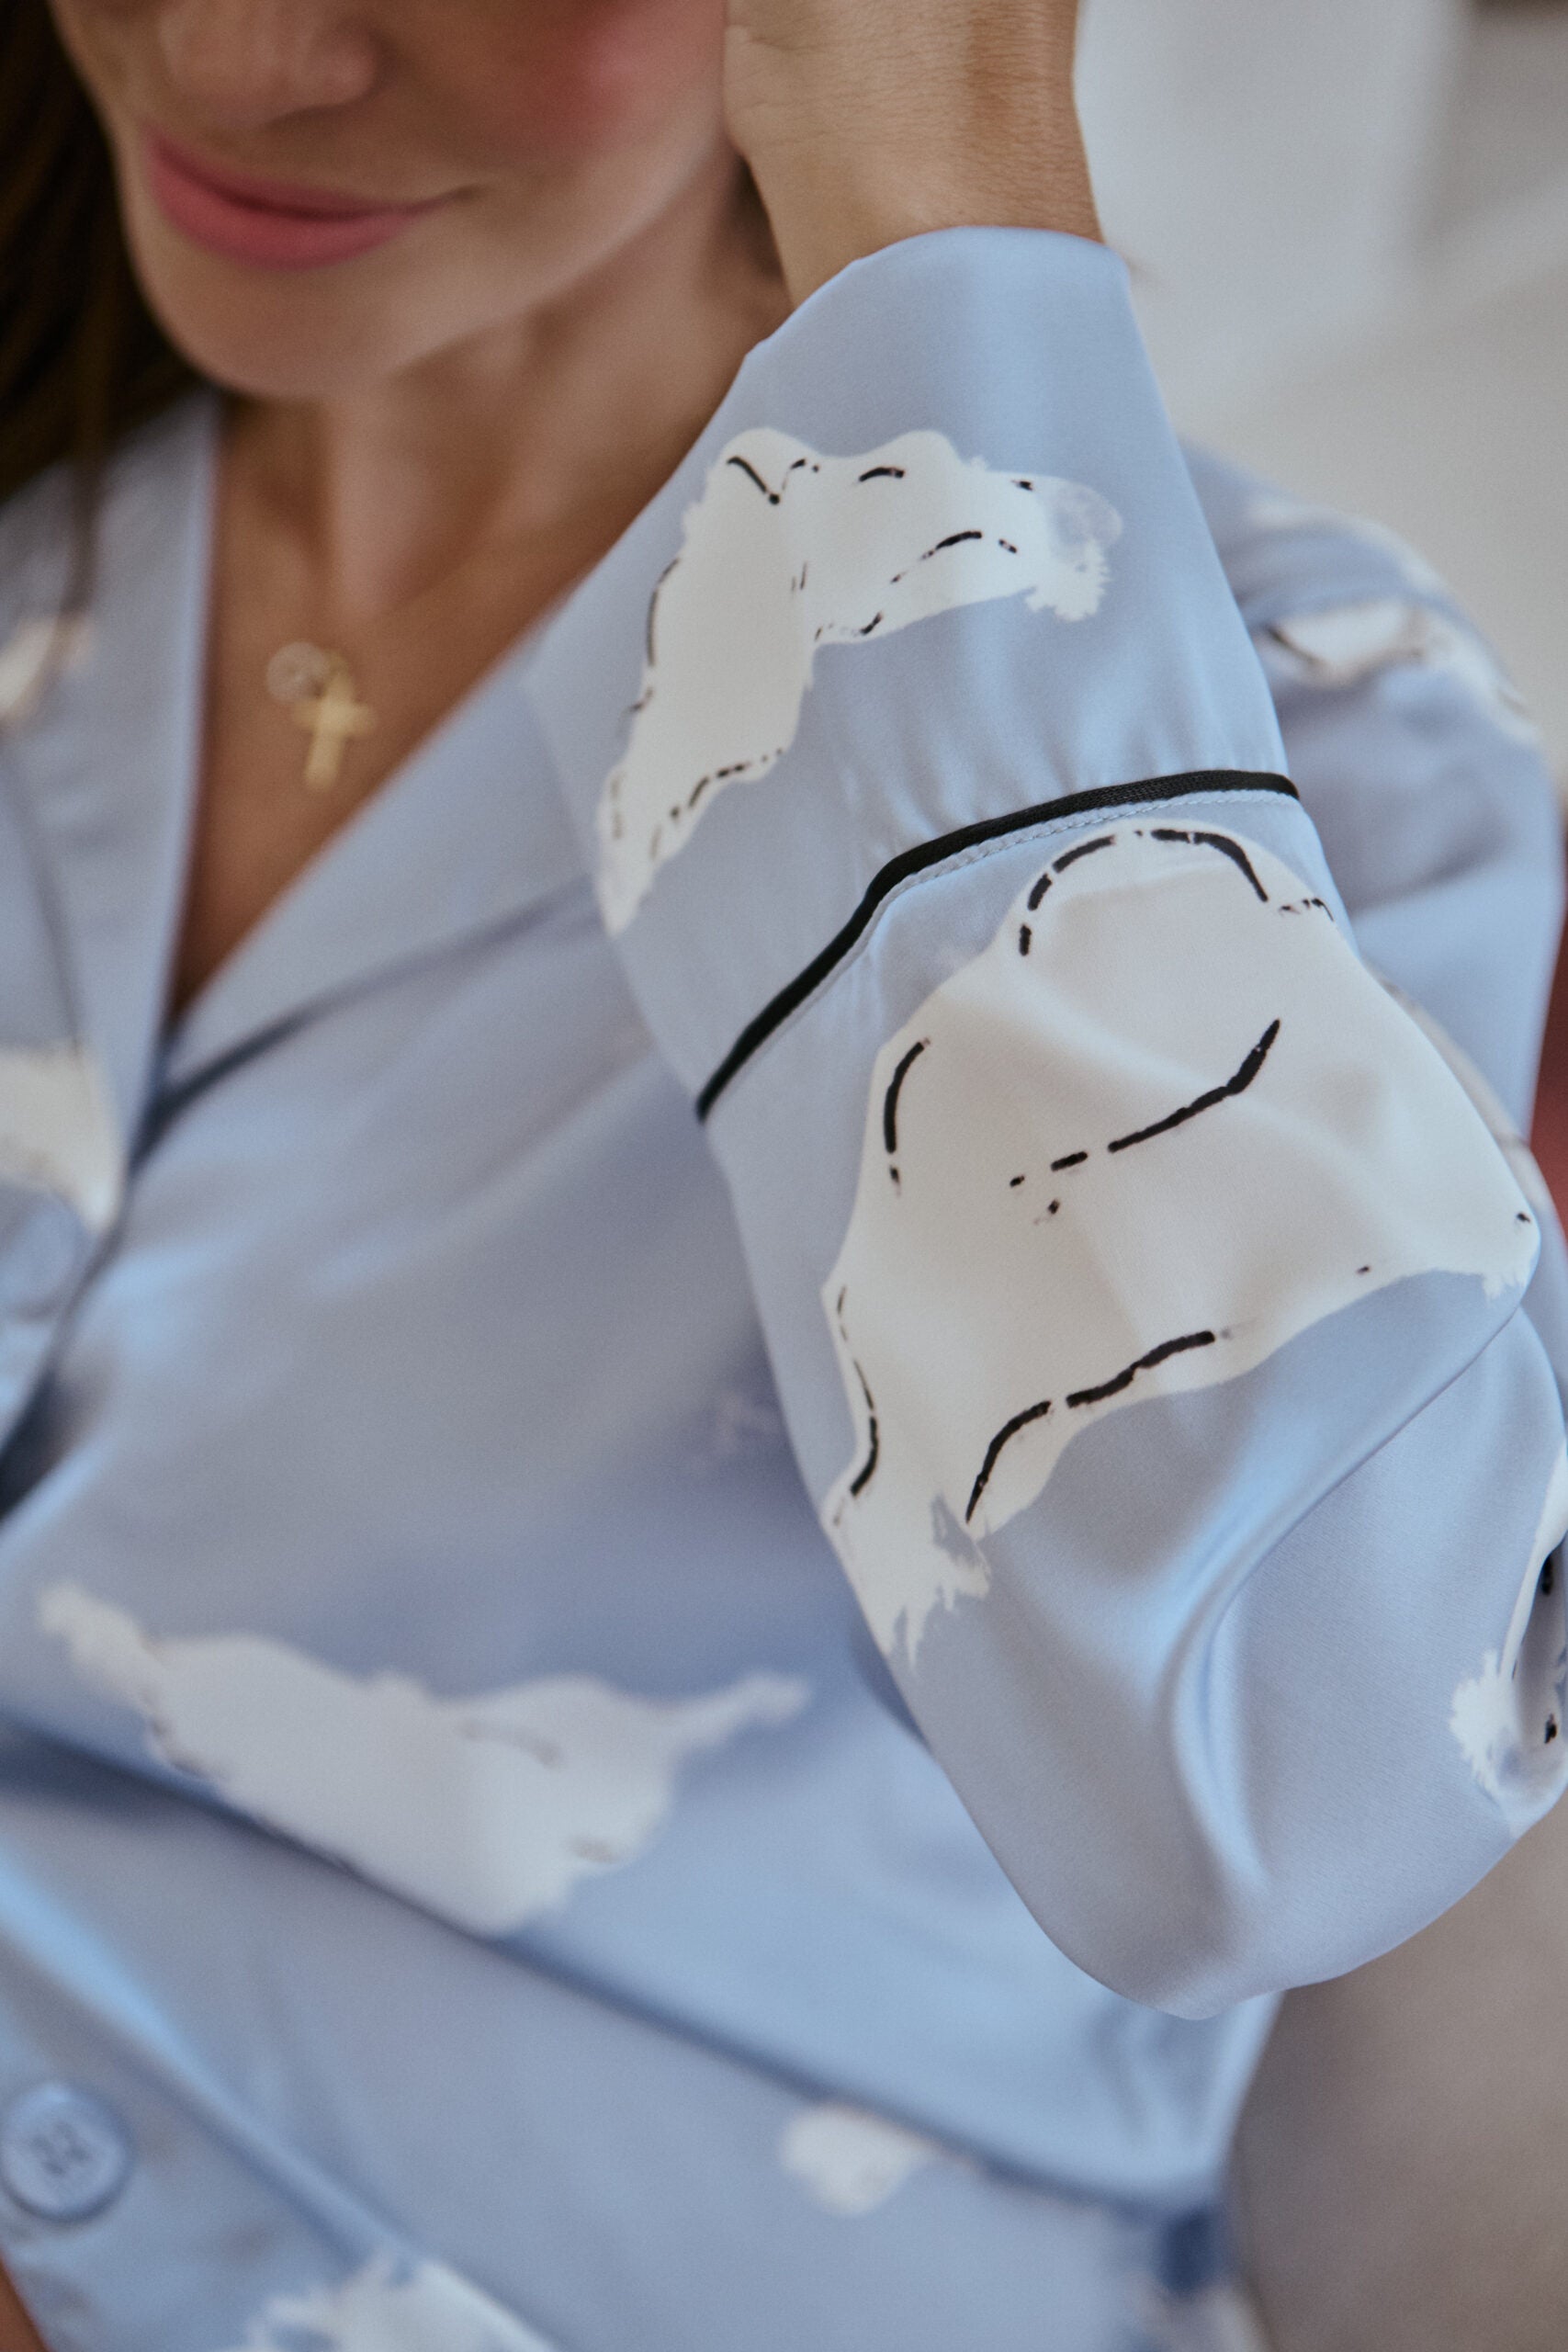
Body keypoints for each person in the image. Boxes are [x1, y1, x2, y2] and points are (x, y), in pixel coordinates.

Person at [0, 0, 1563, 2345]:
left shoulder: (1304, 728)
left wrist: (930, 222)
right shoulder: (56, 534)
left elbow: (1291, 1772)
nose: (236, 54)